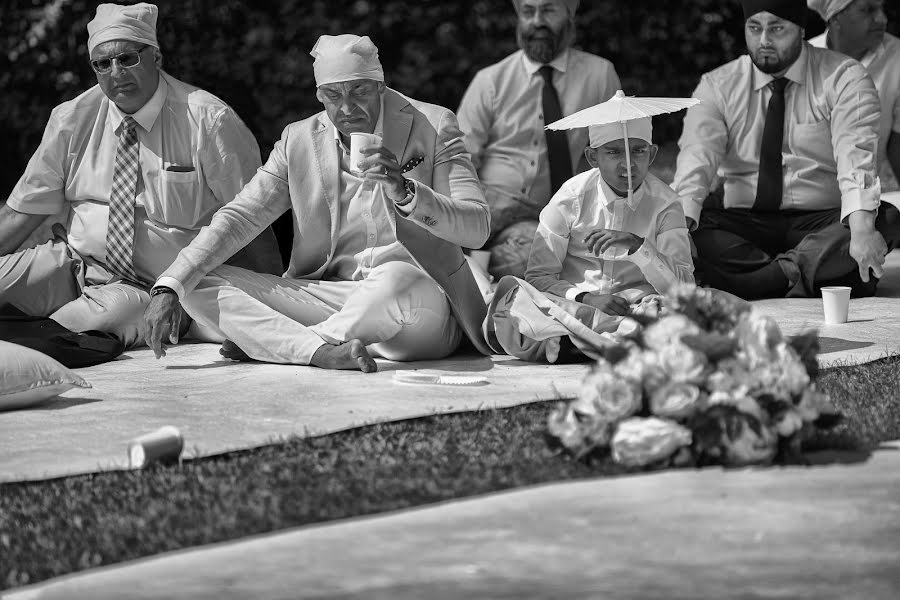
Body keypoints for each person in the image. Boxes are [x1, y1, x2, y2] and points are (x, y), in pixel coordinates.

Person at [142, 34, 491, 373]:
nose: (347, 107)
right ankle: (323, 350)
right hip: (330, 296)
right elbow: (240, 216)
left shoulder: (433, 123)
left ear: (380, 87)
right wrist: (169, 284)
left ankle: (288, 345)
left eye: (359, 91)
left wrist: (406, 192)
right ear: (319, 96)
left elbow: (477, 228)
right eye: (333, 95)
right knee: (197, 281)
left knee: (396, 278)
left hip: (417, 306)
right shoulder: (298, 139)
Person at [0, 2, 282, 347]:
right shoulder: (71, 119)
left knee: (105, 319)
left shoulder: (209, 120)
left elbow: (254, 219)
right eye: (102, 64)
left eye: (127, 58)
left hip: (159, 288)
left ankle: (31, 340)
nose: (116, 72)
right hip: (75, 265)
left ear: (156, 58)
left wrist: (273, 308)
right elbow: (20, 213)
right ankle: (34, 332)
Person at [672, 0, 900, 300]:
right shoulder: (718, 85)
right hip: (744, 221)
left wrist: (860, 231)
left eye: (777, 29)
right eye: (754, 28)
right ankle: (807, 274)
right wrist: (678, 230)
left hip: (822, 222)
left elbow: (855, 154)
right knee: (688, 225)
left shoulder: (845, 76)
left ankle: (751, 283)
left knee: (883, 220)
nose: (764, 40)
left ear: (801, 30)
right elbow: (696, 160)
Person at [486, 117, 694, 363]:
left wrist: (638, 246)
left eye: (638, 151)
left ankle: (574, 345)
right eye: (613, 152)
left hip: (638, 309)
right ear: (593, 158)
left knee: (687, 309)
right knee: (514, 303)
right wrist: (586, 298)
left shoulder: (666, 204)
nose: (628, 164)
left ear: (652, 154)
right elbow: (539, 277)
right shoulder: (570, 199)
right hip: (573, 308)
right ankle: (615, 343)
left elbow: (683, 286)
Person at [457, 0, 621, 279]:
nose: (536, 21)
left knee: (535, 253)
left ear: (569, 17)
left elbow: (618, 149)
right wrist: (464, 209)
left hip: (539, 216)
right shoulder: (490, 79)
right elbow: (458, 156)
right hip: (485, 206)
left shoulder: (599, 75)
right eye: (528, 12)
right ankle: (467, 261)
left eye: (547, 11)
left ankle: (469, 266)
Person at [808, 0, 900, 189]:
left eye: (881, 8)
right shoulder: (804, 61)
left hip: (874, 194)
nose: (882, 18)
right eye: (867, 10)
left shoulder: (896, 58)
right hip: (810, 199)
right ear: (835, 18)